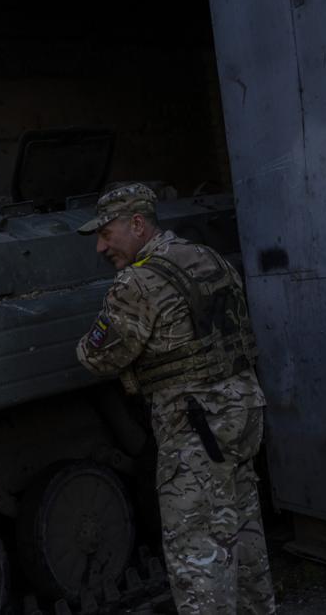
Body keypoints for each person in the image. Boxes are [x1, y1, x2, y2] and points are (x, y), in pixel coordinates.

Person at [75, 183, 276, 614]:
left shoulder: (137, 281)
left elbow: (97, 357)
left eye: (106, 233)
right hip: (242, 414)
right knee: (243, 533)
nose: (100, 246)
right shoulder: (210, 259)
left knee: (196, 553)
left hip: (195, 431)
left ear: (137, 224)